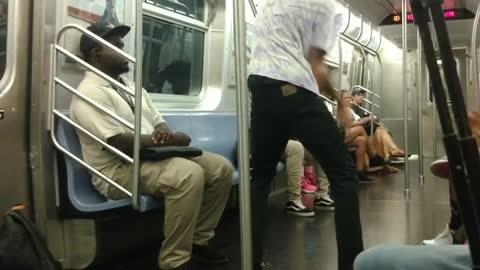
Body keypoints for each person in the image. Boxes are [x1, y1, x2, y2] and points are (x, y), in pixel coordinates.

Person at [70, 21, 233, 270]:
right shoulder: (89, 92)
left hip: (152, 156)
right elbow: (118, 142)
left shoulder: (133, 88)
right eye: (117, 46)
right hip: (118, 169)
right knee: (188, 175)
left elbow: (158, 122)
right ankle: (174, 261)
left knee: (220, 168)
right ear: (96, 53)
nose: (125, 50)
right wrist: (171, 140)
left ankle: (199, 242)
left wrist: (164, 132)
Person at [247, 1, 364, 269]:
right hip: (293, 86)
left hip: (260, 86)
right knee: (343, 171)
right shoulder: (324, 6)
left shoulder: (270, 4)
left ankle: (252, 260)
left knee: (260, 178)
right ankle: (353, 263)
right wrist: (340, 102)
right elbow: (317, 69)